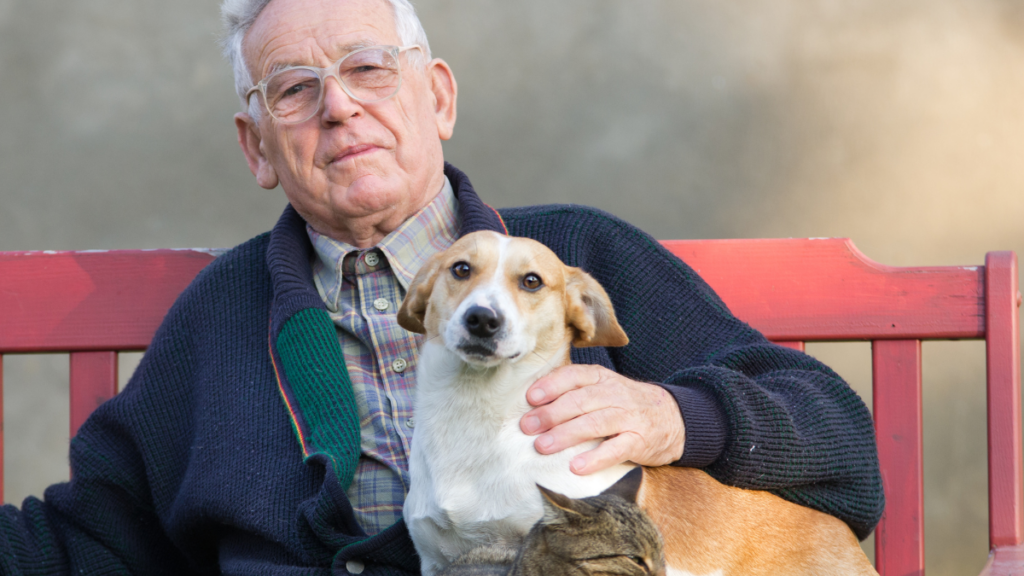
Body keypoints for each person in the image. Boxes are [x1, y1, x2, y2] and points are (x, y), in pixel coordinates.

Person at [0, 0, 883, 574]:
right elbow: (91, 534)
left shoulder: (575, 258)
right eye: (295, 90)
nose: (339, 107)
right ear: (256, 148)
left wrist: (677, 416)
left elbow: (836, 439)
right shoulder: (220, 320)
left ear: (439, 98)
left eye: (369, 68)